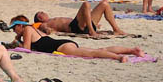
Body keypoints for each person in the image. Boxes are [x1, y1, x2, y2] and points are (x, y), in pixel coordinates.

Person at [9, 17, 146, 63]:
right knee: (97, 50)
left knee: (93, 53)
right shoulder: (33, 29)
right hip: (62, 44)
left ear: (20, 26)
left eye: (14, 29)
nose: (14, 31)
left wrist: (16, 42)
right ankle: (131, 50)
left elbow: (26, 49)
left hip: (60, 47)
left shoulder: (27, 29)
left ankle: (118, 57)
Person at [32, 1, 125, 36]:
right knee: (86, 4)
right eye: (41, 13)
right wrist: (49, 30)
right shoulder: (44, 24)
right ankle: (92, 31)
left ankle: (116, 29)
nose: (44, 12)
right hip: (75, 27)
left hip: (83, 24)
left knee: (104, 4)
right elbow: (45, 30)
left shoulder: (52, 19)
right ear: (39, 17)